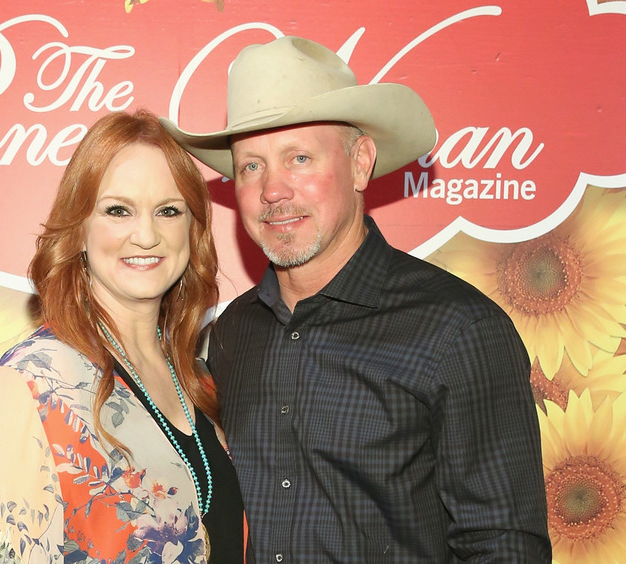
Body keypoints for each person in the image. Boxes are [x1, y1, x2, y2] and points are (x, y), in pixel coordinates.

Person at [162, 36, 551, 562]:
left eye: (299, 158)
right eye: (251, 166)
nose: (272, 190)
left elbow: (502, 548)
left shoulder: (458, 330)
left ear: (361, 163)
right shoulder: (234, 333)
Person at [0, 109, 244, 564]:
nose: (146, 235)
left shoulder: (199, 378)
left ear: (192, 228)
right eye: (117, 210)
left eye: (168, 210)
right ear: (80, 228)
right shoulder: (35, 380)